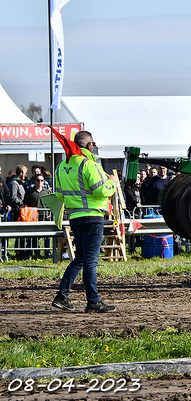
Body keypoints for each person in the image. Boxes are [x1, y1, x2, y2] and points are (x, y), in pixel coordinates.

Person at [51, 131, 119, 313]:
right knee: (90, 261)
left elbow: (58, 194)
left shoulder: (61, 166)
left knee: (80, 259)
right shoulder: (89, 165)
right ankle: (93, 301)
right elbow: (100, 191)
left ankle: (62, 296)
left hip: (75, 218)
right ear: (89, 145)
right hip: (92, 218)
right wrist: (112, 183)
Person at [24, 174, 51, 258]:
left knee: (47, 236)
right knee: (33, 236)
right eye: (38, 180)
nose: (40, 182)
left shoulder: (46, 192)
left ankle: (47, 252)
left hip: (45, 217)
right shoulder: (29, 191)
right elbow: (26, 205)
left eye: (42, 180)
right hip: (33, 217)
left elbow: (50, 204)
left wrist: (49, 214)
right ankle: (34, 252)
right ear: (34, 181)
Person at [9, 165, 28, 258]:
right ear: (21, 173)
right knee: (20, 231)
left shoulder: (20, 183)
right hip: (18, 210)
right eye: (25, 173)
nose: (26, 175)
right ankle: (19, 251)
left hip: (22, 209)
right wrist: (22, 203)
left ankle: (22, 249)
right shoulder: (14, 183)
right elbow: (13, 197)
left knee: (23, 231)